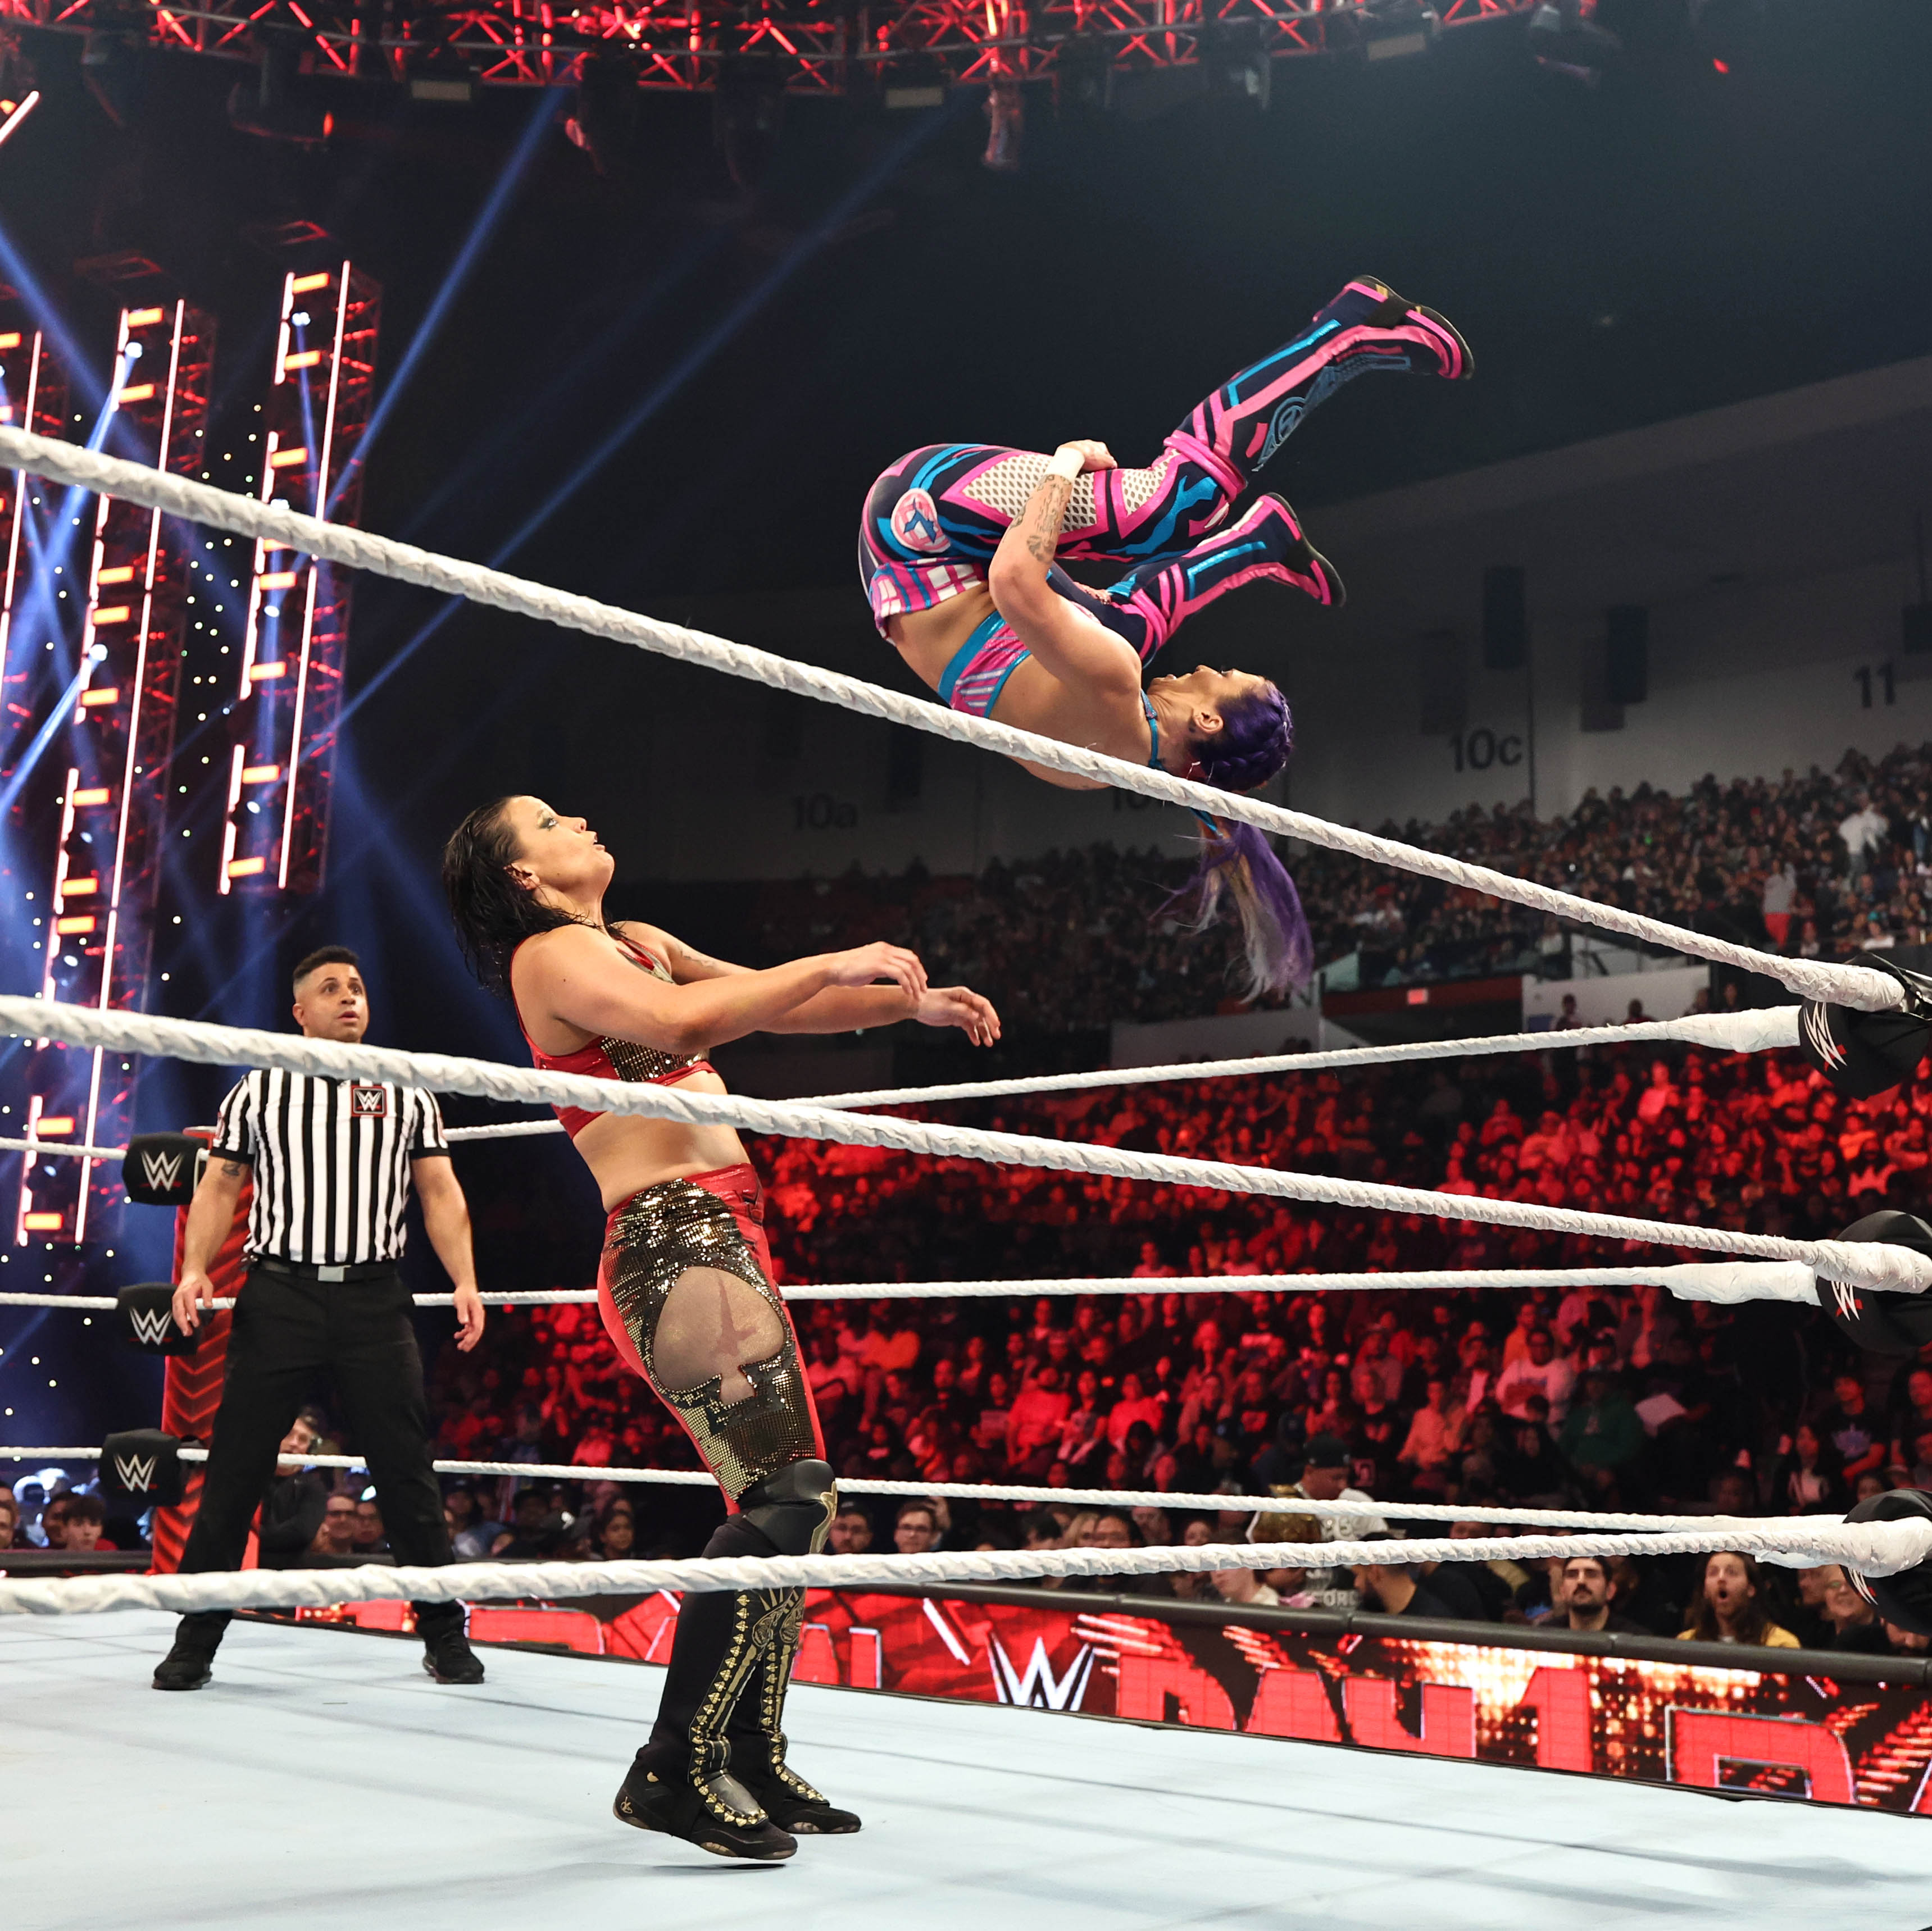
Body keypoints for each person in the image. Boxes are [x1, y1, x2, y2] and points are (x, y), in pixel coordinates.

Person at [442, 794, 998, 1862]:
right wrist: (836, 955)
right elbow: (688, 1025)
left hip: (720, 1230)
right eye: (549, 820)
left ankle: (748, 1749)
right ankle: (670, 1764)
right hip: (672, 1238)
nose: (580, 818)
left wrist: (903, 1007)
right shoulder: (548, 957)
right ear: (522, 874)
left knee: (787, 1501)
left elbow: (768, 1006)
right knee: (788, 1495)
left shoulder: (633, 940)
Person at [859, 277, 1470, 996]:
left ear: (1208, 719)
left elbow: (1016, 580)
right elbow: (1208, 780)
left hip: (919, 528)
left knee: (1177, 507)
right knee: (1122, 620)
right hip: (927, 581)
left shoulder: (1115, 681)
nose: (1205, 666)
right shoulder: (1135, 755)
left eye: (1222, 677)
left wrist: (1065, 463)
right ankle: (1256, 543)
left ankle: (1348, 331)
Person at [155, 946, 488, 1694]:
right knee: (236, 1467)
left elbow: (439, 1190)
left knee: (405, 1471)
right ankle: (194, 1641)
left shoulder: (405, 1086)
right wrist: (196, 1267)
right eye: (331, 988)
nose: (349, 997)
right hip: (280, 1295)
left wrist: (465, 1279)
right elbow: (221, 1184)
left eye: (357, 987)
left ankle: (444, 1635)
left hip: (374, 1298)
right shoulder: (259, 1089)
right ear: (300, 1012)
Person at [1678, 1550, 1801, 1648]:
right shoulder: (1686, 1643)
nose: (1721, 1578)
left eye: (1732, 1573)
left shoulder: (1781, 1644)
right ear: (1705, 1591)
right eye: (1713, 1573)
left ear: (1750, 1588)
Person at [1551, 1555, 1647, 1635]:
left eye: (1592, 1574)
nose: (1581, 1581)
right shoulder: (1547, 1636)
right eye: (1572, 1575)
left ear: (1610, 1590)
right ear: (1562, 1591)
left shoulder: (1637, 1640)